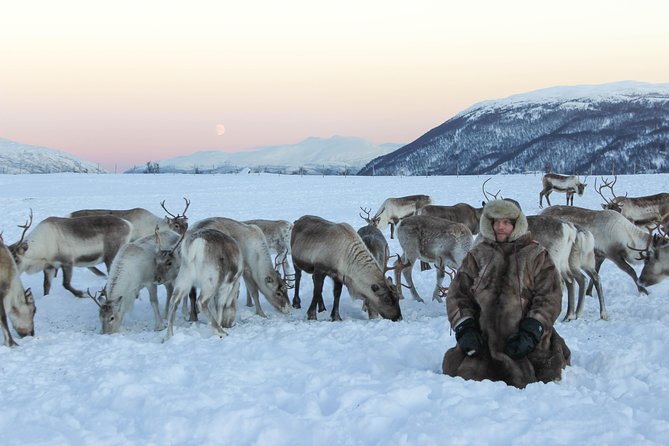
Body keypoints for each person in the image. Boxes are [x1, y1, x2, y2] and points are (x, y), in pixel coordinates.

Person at [442, 199, 571, 388]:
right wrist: (465, 328)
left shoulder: (536, 255)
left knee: (539, 371)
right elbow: (458, 294)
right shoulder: (477, 255)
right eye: (496, 222)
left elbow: (549, 296)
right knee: (462, 371)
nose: (500, 227)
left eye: (507, 222)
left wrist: (532, 330)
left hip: (524, 337)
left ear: (516, 224)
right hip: (483, 338)